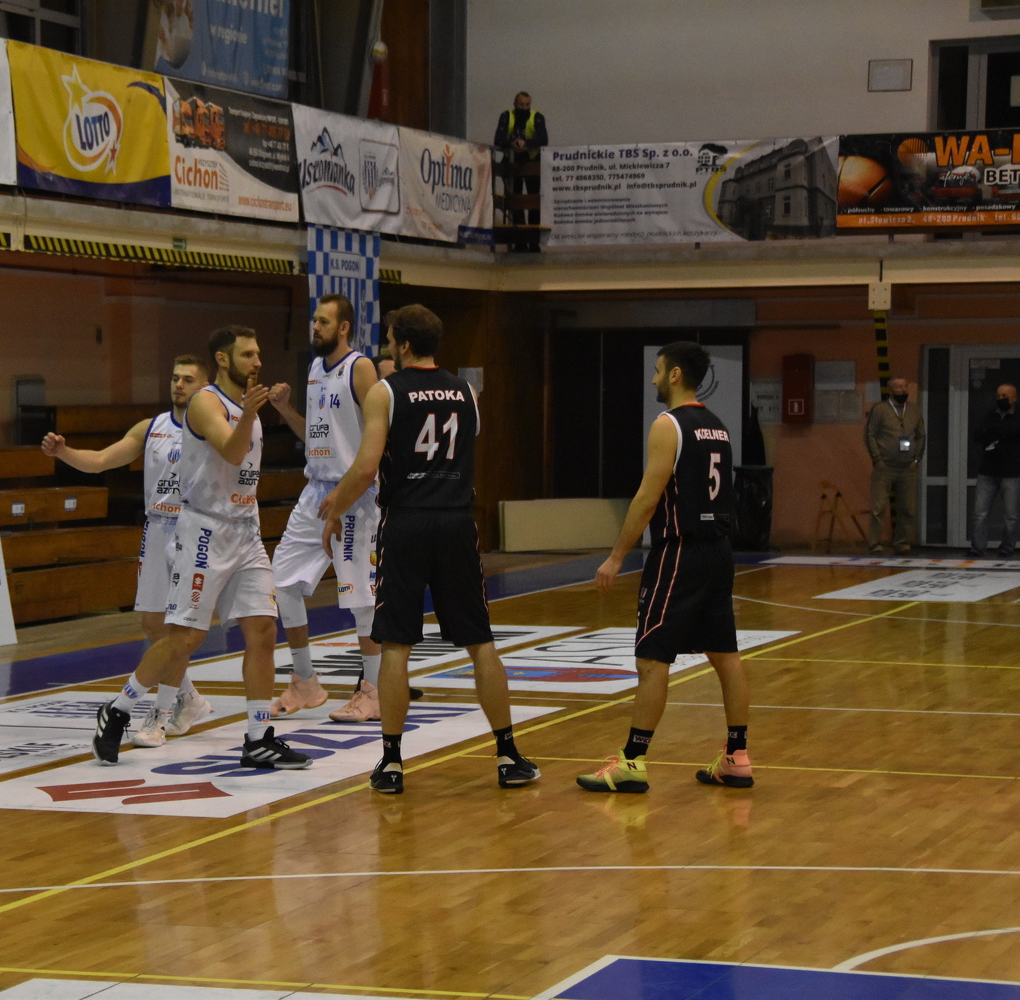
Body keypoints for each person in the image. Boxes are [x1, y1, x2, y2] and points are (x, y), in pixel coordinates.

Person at [318, 304, 539, 795]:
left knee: (396, 645)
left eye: (390, 338)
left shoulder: (386, 391)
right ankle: (508, 755)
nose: (388, 346)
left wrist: (336, 507)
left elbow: (367, 466)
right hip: (456, 521)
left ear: (403, 344)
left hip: (407, 522)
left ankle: (392, 763)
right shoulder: (467, 393)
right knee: (480, 642)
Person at [91, 326, 310, 770]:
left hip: (245, 529)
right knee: (184, 638)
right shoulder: (206, 402)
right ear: (223, 359)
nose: (258, 361)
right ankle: (118, 708)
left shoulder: (246, 405)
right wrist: (249, 414)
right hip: (205, 531)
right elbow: (232, 452)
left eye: (259, 353)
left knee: (263, 629)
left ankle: (258, 737)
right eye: (248, 354)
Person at [580, 341, 752, 793]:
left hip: (680, 553)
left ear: (676, 375)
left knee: (652, 659)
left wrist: (617, 556)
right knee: (726, 655)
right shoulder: (717, 426)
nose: (654, 378)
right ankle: (737, 757)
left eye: (658, 370)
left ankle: (632, 762)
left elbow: (647, 497)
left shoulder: (667, 424)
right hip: (719, 551)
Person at [41, 356, 216, 746]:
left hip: (193, 529)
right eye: (175, 378)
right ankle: (190, 699)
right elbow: (102, 460)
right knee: (153, 627)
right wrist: (64, 453)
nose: (179, 385)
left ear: (206, 387)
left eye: (188, 379)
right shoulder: (150, 427)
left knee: (177, 629)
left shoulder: (215, 430)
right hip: (156, 529)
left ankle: (161, 716)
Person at [265, 294, 384, 722]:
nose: (314, 327)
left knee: (360, 596)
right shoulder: (315, 368)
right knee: (282, 581)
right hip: (315, 490)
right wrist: (285, 410)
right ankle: (305, 680)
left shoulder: (360, 367)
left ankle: (374, 691)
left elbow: (378, 434)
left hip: (354, 493)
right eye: (314, 320)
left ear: (344, 327)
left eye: (323, 321)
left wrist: (350, 490)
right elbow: (315, 434)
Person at [864, 376, 925, 555]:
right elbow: (870, 434)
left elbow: (921, 435)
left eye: (905, 386)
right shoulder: (880, 409)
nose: (903, 389)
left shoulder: (913, 410)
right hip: (885, 467)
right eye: (898, 387)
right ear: (890, 390)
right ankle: (875, 543)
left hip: (908, 468)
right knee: (878, 508)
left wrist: (917, 459)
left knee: (907, 509)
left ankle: (902, 543)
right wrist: (877, 458)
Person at [969, 383, 1020, 558]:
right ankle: (978, 548)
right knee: (980, 514)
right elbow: (977, 436)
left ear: (1014, 398)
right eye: (999, 395)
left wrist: (992, 432)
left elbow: (1014, 431)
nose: (1001, 398)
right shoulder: (990, 415)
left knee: (1011, 516)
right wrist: (999, 434)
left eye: (1005, 395)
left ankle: (1007, 548)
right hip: (987, 471)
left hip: (1011, 472)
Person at [493, 91, 548, 249]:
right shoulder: (506, 116)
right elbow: (498, 138)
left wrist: (526, 143)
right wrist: (512, 144)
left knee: (533, 201)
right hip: (512, 164)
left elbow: (543, 139)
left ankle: (534, 242)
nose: (524, 108)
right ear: (515, 104)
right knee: (515, 201)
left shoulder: (537, 117)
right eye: (521, 104)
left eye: (527, 105)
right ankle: (519, 241)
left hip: (532, 163)